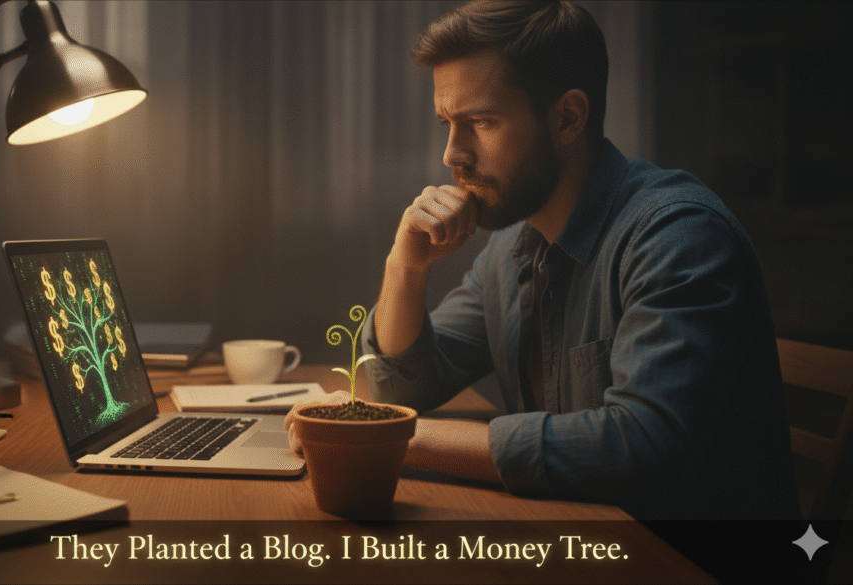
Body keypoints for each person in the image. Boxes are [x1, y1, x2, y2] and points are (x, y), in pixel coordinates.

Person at [285, 0, 799, 523]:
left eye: (481, 122)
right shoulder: (512, 246)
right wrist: (405, 266)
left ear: (568, 118)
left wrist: (388, 437)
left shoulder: (678, 236)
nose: (452, 154)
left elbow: (641, 446)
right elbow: (400, 386)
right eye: (448, 123)